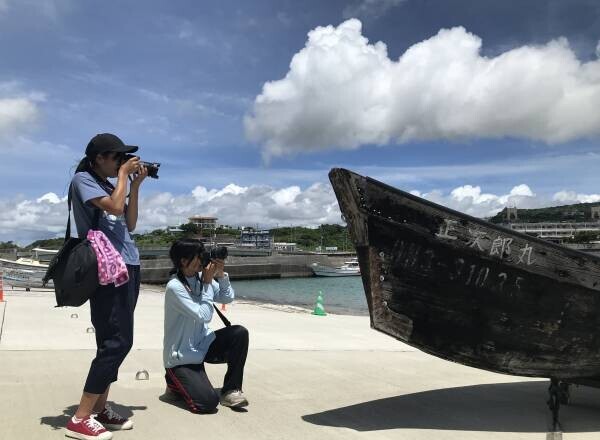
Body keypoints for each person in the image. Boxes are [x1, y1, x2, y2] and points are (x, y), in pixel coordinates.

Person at [65, 133, 148, 440]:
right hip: (108, 269)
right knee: (116, 342)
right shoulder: (83, 180)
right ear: (99, 158)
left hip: (129, 265)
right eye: (117, 158)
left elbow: (130, 221)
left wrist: (134, 186)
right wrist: (125, 177)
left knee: (114, 341)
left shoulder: (111, 185)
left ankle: (99, 409)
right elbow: (113, 208)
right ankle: (80, 417)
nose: (121, 163)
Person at [163, 238, 249, 413]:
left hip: (203, 344)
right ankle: (173, 382)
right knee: (207, 403)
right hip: (182, 357)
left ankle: (231, 390)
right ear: (184, 261)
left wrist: (221, 276)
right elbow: (205, 315)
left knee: (239, 333)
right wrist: (208, 283)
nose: (202, 260)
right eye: (198, 256)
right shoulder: (175, 287)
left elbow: (227, 298)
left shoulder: (201, 277)